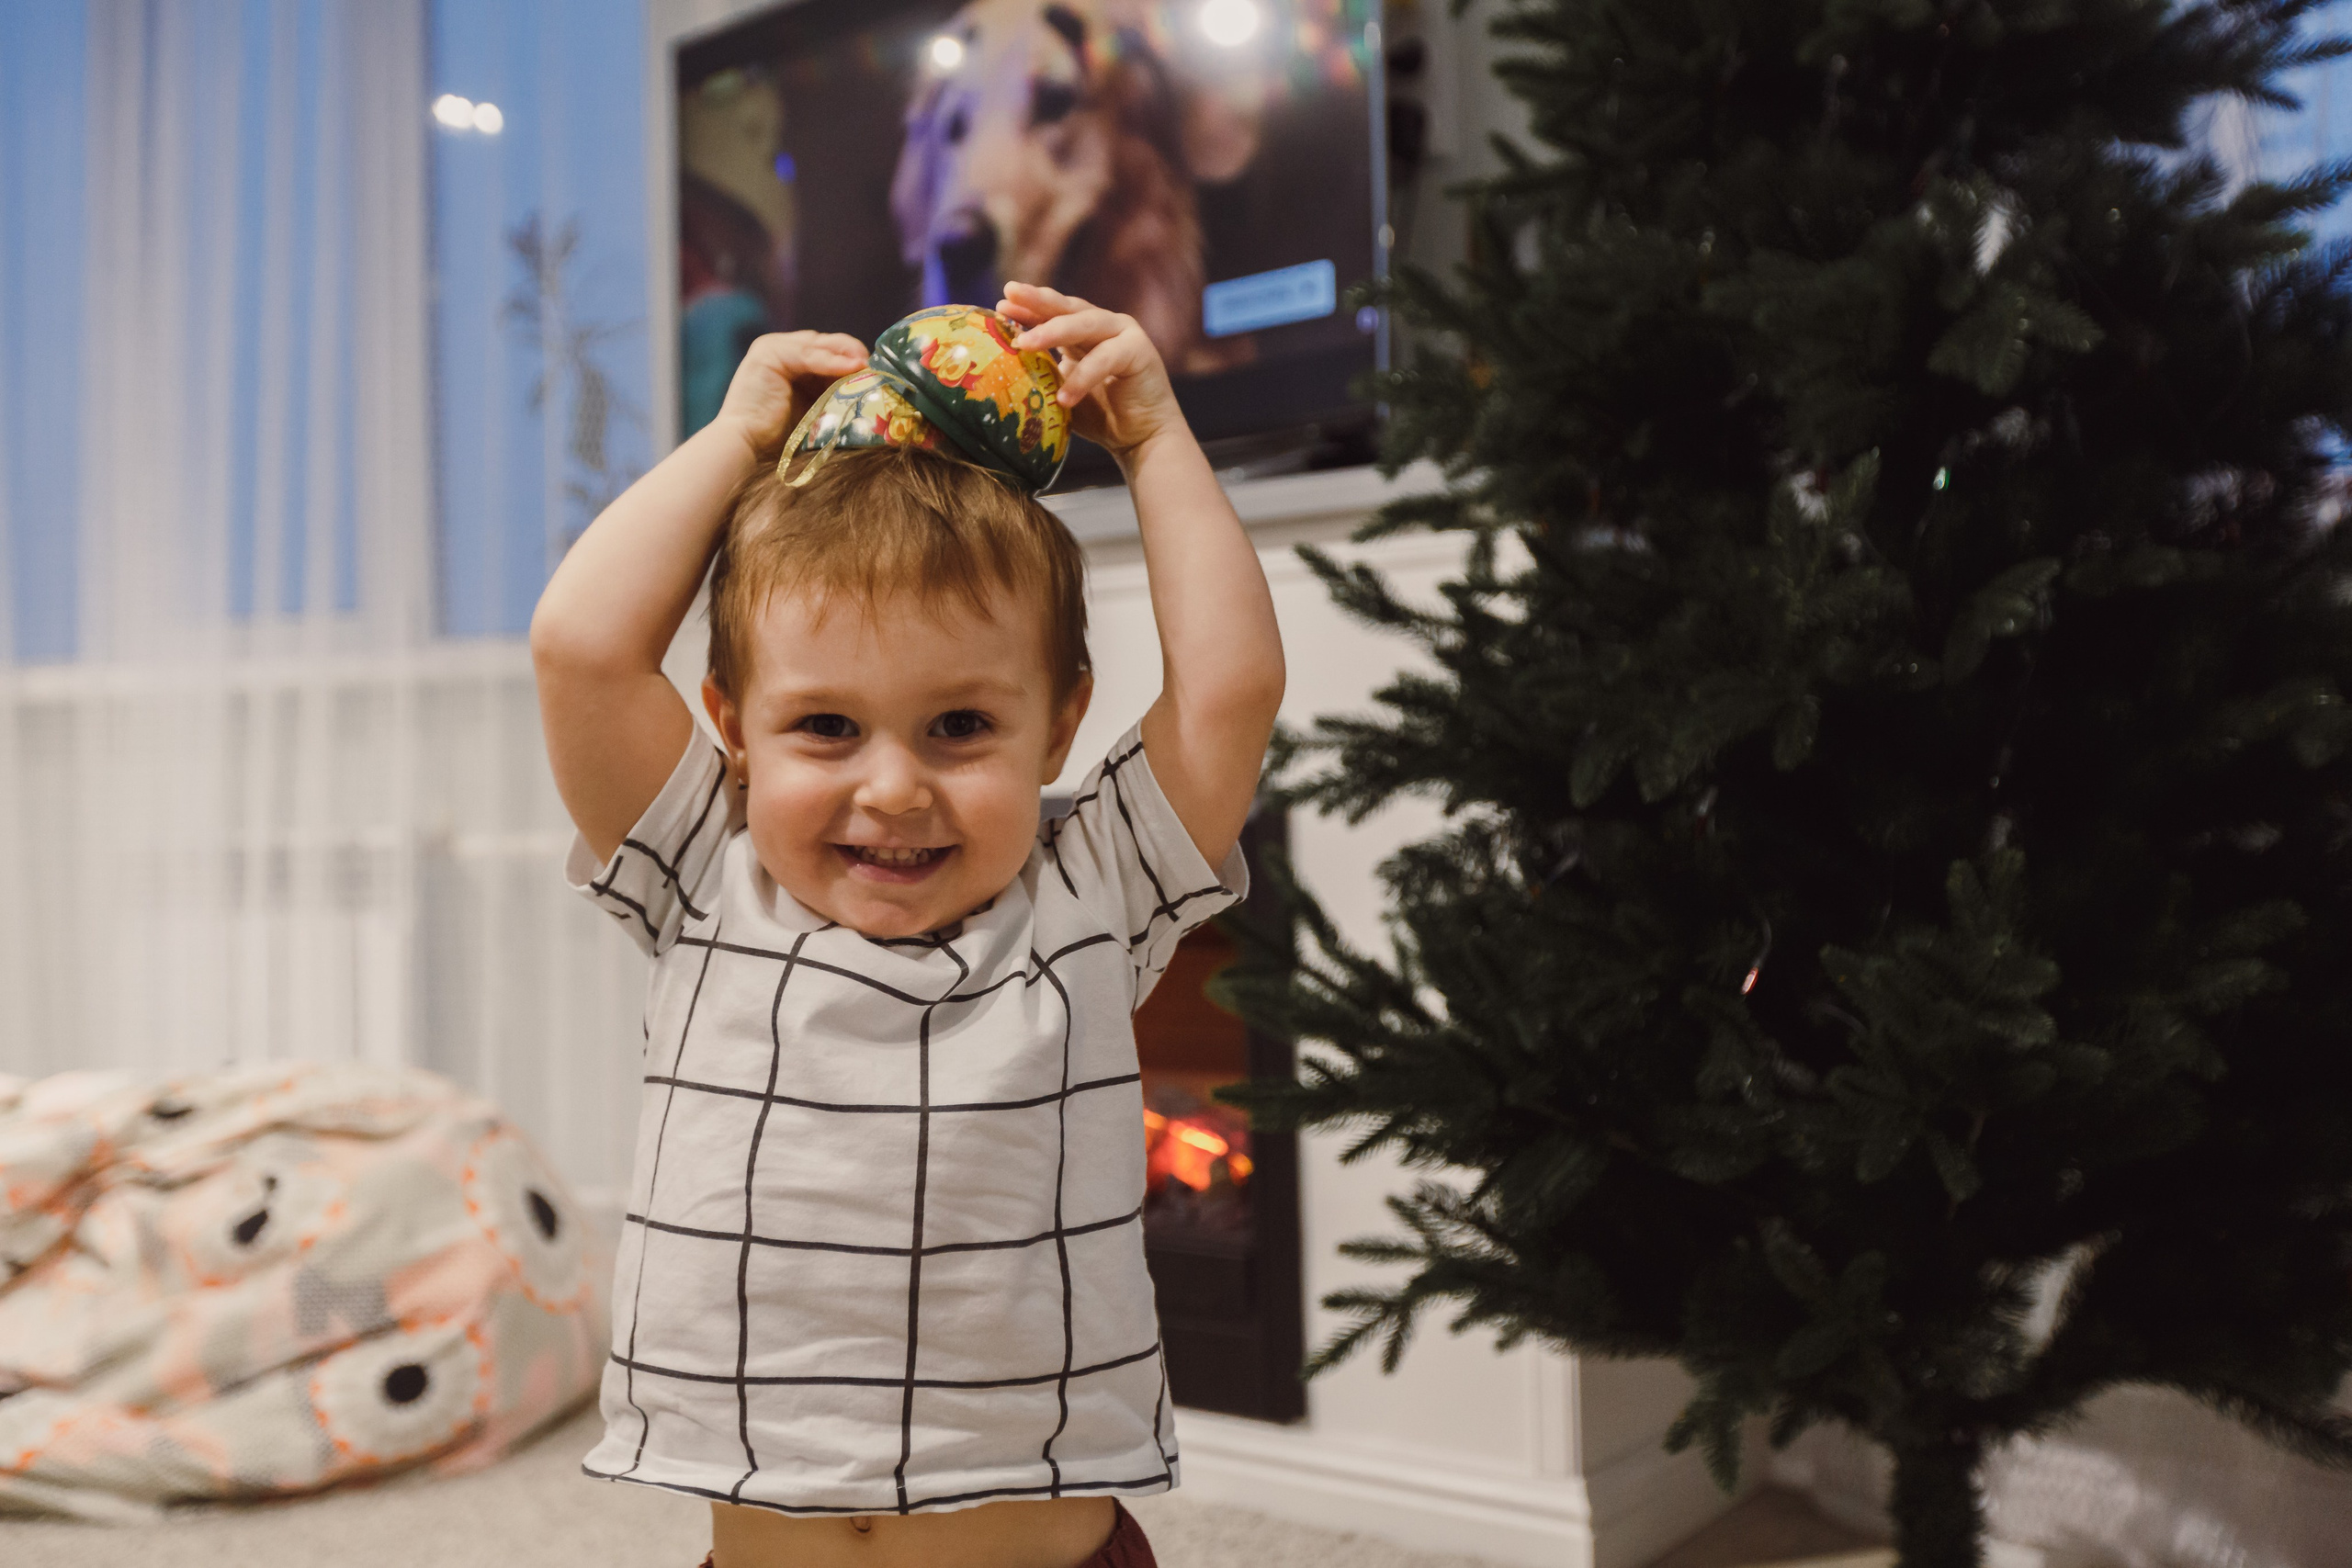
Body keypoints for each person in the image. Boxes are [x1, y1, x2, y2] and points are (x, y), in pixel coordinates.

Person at [529, 282, 1284, 1568]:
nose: (893, 788)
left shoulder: (1087, 892)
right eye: (825, 727)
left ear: (1056, 724)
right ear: (733, 725)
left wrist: (1155, 439)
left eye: (960, 728)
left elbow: (1228, 689)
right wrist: (737, 443)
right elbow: (581, 648)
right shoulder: (712, 876)